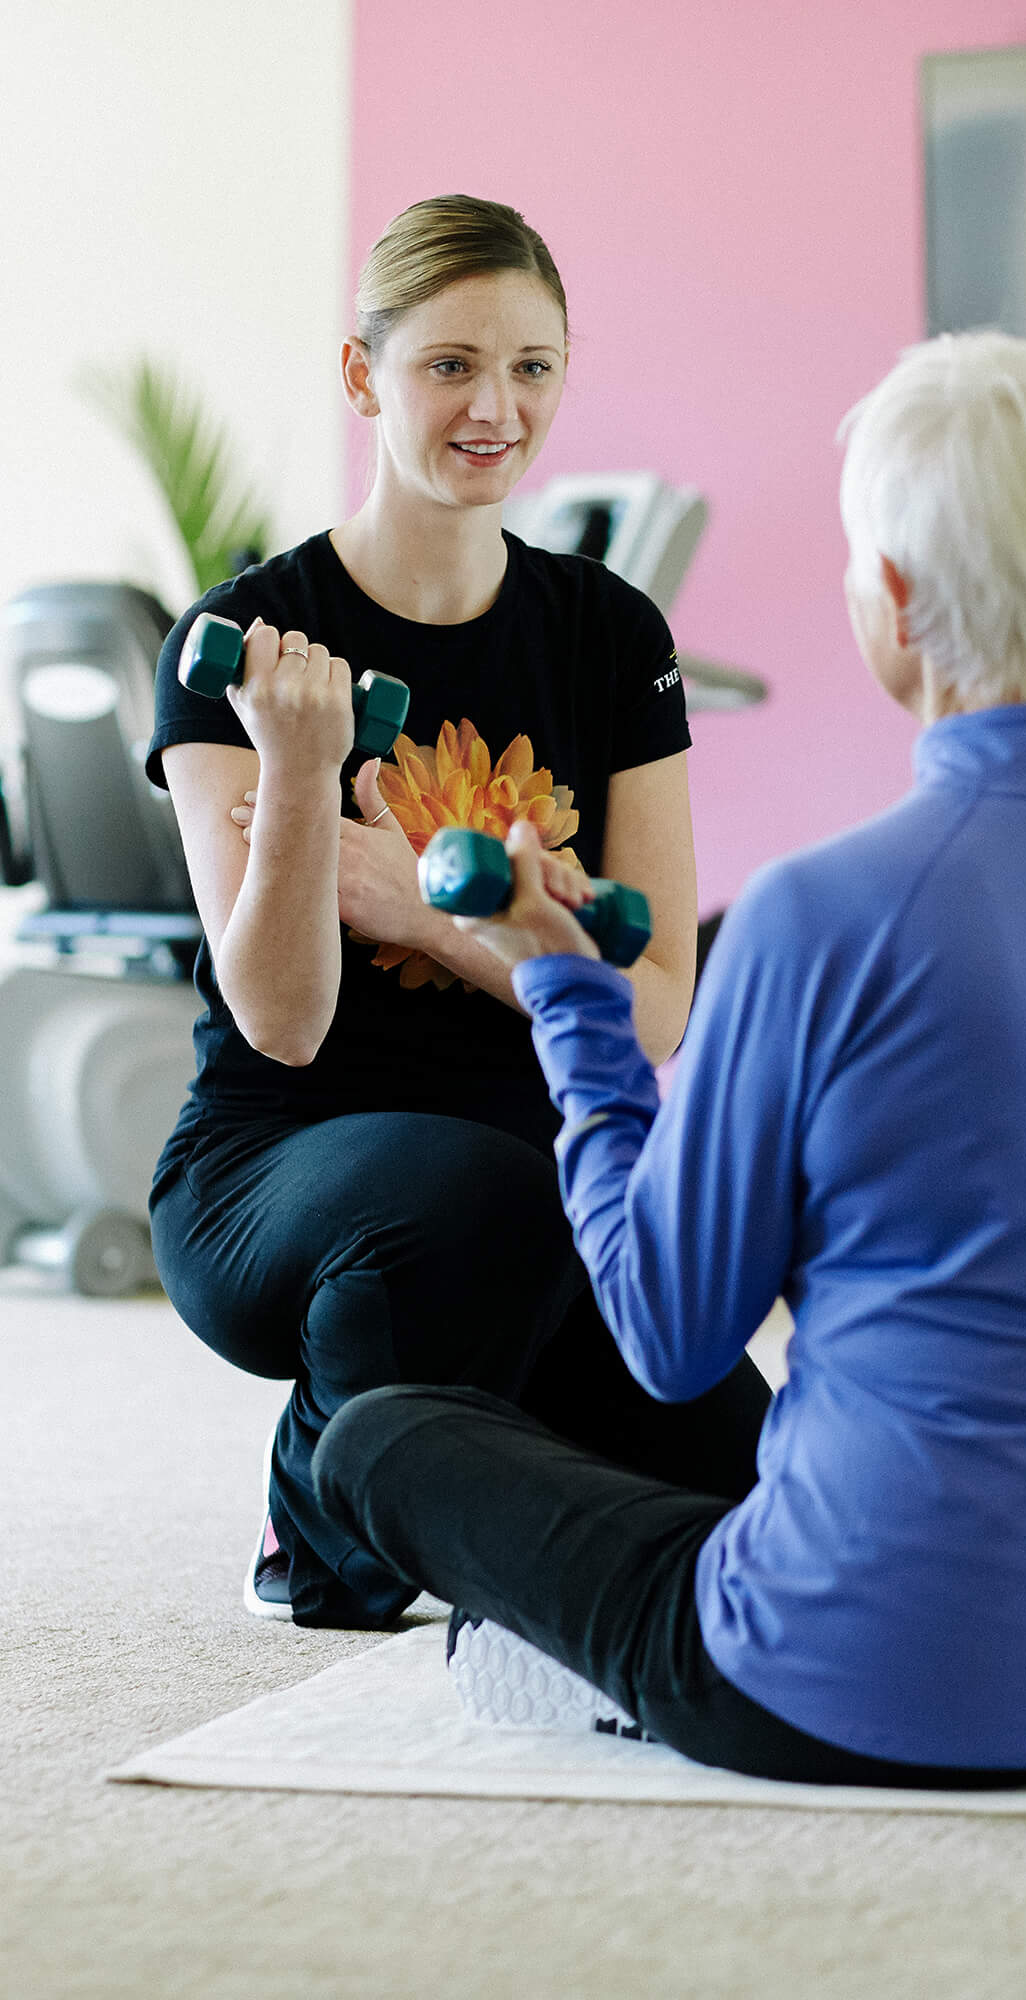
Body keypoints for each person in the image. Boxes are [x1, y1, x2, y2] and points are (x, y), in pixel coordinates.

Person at [314, 331, 1026, 1784]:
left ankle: (595, 1670)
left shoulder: (813, 917)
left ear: (892, 602)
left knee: (381, 1442)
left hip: (846, 1681)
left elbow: (668, 1334)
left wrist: (568, 1000)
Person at [145, 195, 770, 1629]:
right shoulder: (244, 645)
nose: (496, 406)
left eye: (532, 366)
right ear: (364, 378)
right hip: (276, 1174)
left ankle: (480, 1434)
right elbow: (286, 1022)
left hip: (551, 1192)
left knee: (755, 1495)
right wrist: (302, 777)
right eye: (449, 366)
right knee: (467, 1194)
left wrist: (424, 912)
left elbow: (659, 1005)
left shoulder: (614, 638)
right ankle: (320, 1513)